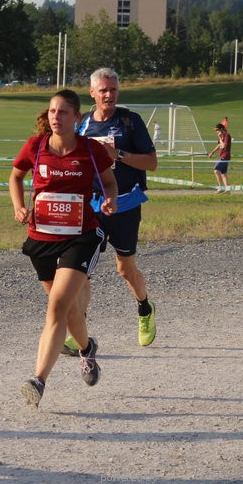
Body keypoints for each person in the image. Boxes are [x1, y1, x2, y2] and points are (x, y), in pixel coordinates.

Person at [10, 89, 117, 406]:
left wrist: (110, 199)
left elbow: (109, 183)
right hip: (41, 238)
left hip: (81, 237)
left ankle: (38, 379)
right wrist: (19, 208)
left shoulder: (91, 150)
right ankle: (86, 349)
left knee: (57, 306)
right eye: (53, 111)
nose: (56, 117)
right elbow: (15, 177)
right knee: (69, 310)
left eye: (63, 112)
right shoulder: (36, 146)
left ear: (77, 118)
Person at [75, 68, 159, 347]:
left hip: (125, 205)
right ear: (92, 93)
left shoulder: (130, 121)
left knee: (125, 269)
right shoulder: (84, 124)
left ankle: (145, 307)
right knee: (82, 270)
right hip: (93, 207)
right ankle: (79, 331)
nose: (109, 95)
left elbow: (151, 162)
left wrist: (118, 155)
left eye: (113, 90)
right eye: (103, 90)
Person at [210, 122, 232, 192]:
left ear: (222, 129)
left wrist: (220, 137)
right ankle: (227, 190)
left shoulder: (227, 136)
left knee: (216, 171)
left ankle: (221, 188)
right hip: (222, 156)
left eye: (217, 130)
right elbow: (219, 145)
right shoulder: (221, 136)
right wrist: (212, 152)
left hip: (225, 156)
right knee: (223, 174)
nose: (217, 132)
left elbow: (223, 146)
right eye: (216, 130)